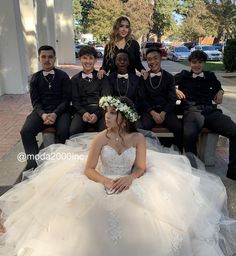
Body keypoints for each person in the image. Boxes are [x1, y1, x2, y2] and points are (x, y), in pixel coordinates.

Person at [1, 96, 236, 256]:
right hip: (102, 179)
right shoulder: (100, 138)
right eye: (107, 113)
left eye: (112, 113)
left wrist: (130, 178)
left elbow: (141, 167)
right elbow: (89, 169)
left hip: (128, 178)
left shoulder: (138, 139)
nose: (107, 117)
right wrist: (105, 181)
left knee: (147, 211)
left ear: (124, 117)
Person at [175, 50, 236, 180]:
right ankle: (192, 170)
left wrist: (220, 91)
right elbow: (168, 84)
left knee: (234, 131)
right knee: (189, 135)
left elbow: (218, 88)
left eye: (200, 62)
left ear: (204, 63)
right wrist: (175, 89)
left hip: (210, 112)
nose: (197, 65)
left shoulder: (210, 76)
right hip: (192, 112)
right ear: (190, 63)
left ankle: (233, 171)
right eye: (194, 62)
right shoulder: (183, 75)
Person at [20, 45, 71, 170]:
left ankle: (61, 164)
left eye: (50, 57)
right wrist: (43, 114)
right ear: (39, 59)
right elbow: (35, 102)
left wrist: (55, 114)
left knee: (64, 131)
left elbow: (66, 100)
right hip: (41, 112)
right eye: (43, 57)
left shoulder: (63, 76)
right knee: (26, 131)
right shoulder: (35, 78)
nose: (47, 60)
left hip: (60, 111)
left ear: (54, 59)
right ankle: (33, 166)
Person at [138, 47, 183, 152]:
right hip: (149, 111)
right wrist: (152, 113)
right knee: (143, 127)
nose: (152, 62)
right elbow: (142, 99)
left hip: (166, 111)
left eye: (155, 58)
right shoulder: (144, 77)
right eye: (149, 59)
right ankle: (147, 153)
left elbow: (172, 99)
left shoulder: (169, 77)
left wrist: (163, 113)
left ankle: (176, 154)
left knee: (178, 127)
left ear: (161, 59)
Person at [70, 46, 111, 136]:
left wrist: (97, 114)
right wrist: (83, 113)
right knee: (73, 130)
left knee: (104, 131)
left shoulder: (103, 78)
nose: (88, 61)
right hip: (82, 110)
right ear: (80, 58)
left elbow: (106, 99)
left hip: (99, 110)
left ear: (95, 60)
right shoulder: (74, 79)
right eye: (84, 58)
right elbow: (75, 101)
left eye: (91, 58)